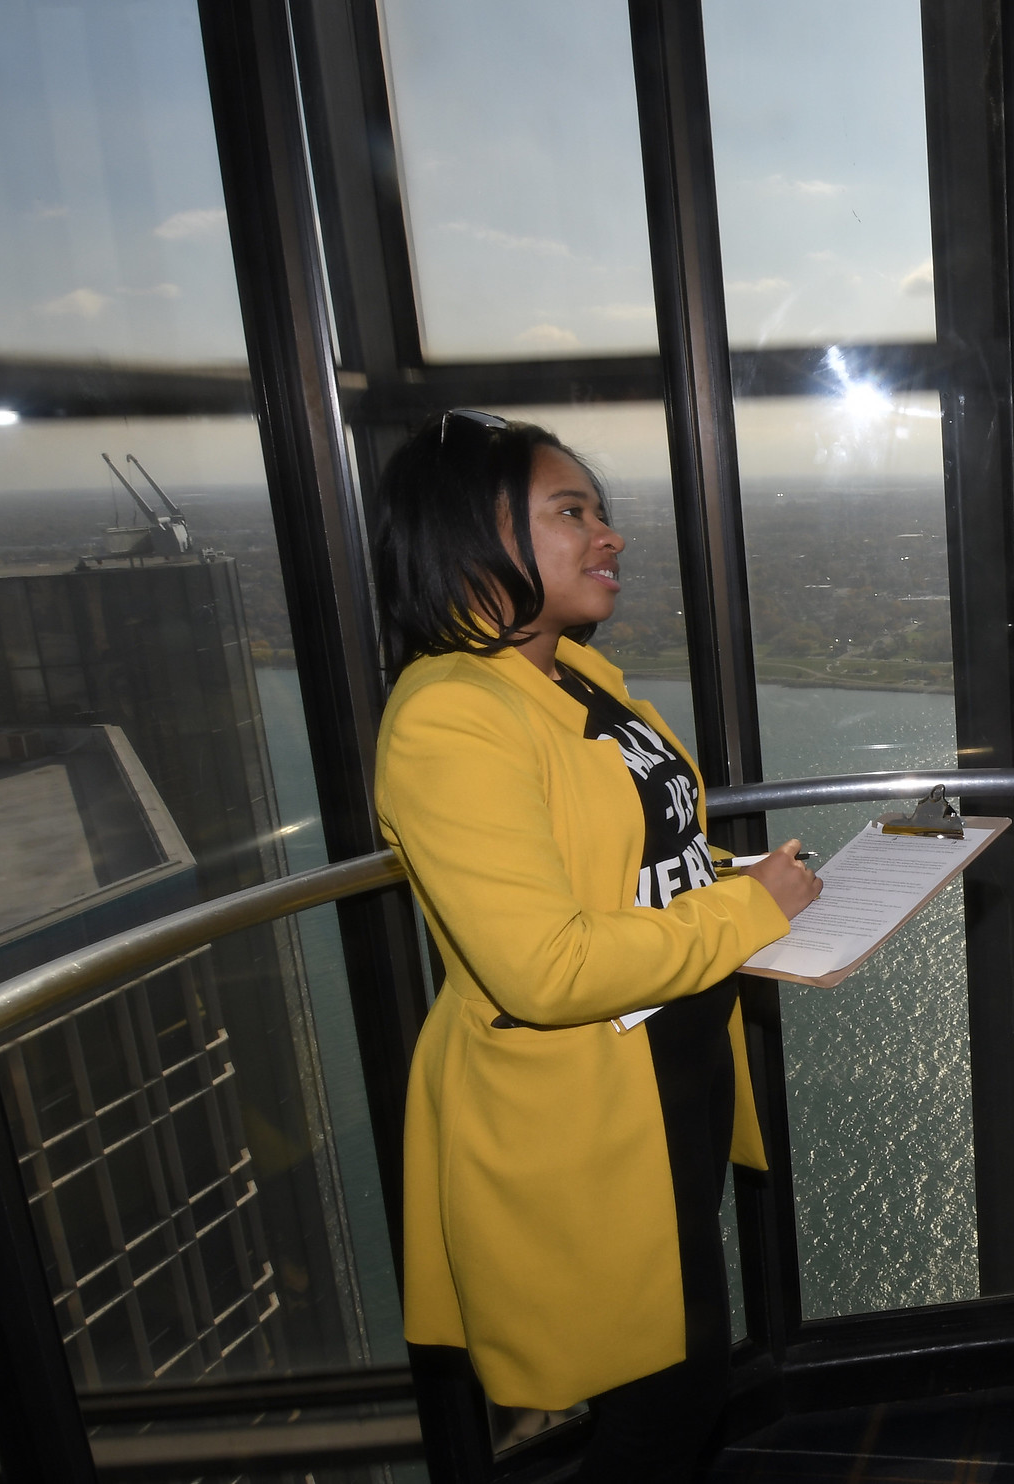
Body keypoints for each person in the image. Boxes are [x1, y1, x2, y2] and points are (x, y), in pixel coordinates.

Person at [371, 410, 822, 1482]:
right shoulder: (449, 718)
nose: (607, 534)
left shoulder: (581, 677)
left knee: (676, 1379)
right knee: (666, 1400)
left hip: (669, 1083)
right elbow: (546, 965)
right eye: (570, 510)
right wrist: (751, 911)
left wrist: (739, 881)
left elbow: (643, 861)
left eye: (601, 510)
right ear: (466, 535)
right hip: (580, 1120)